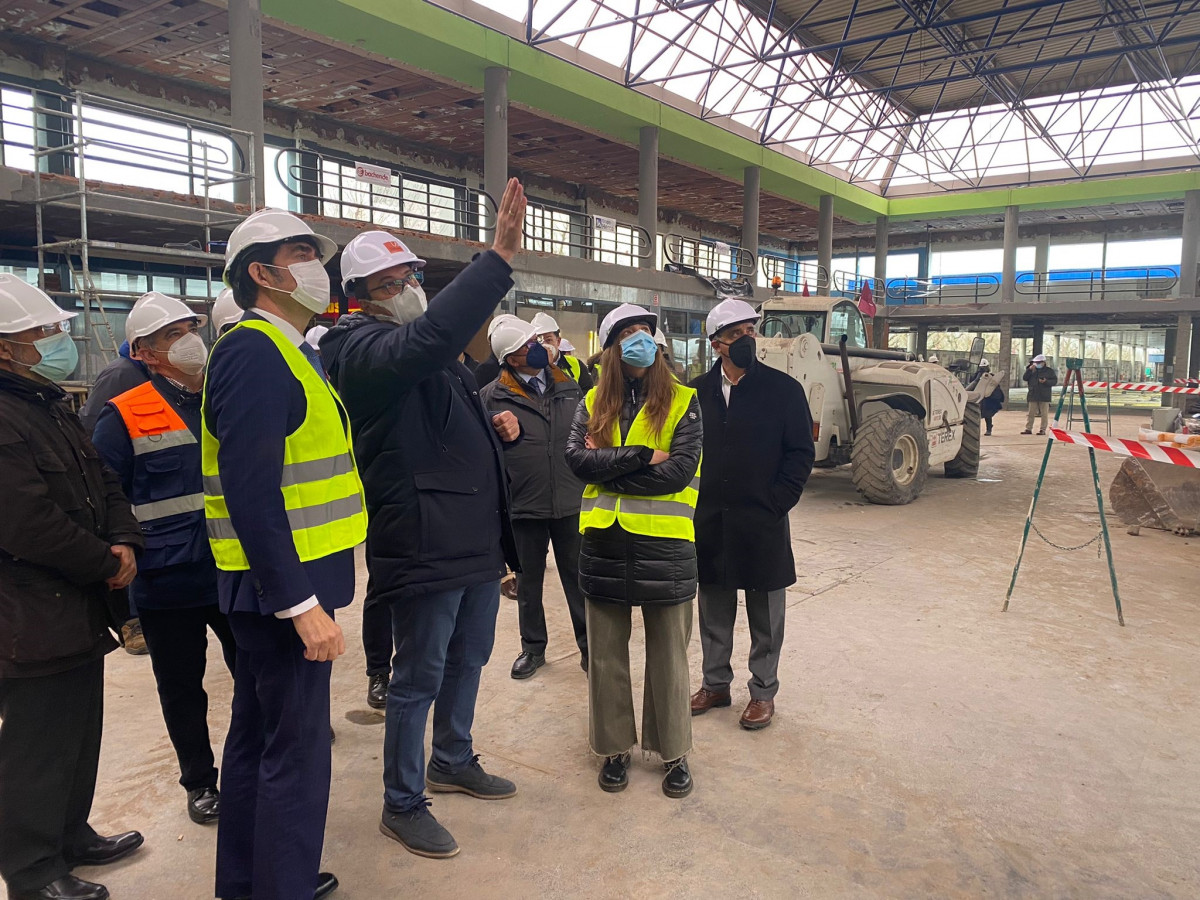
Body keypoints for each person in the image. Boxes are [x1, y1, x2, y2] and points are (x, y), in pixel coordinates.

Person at [320, 178, 526, 861]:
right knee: (417, 678)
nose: (411, 284)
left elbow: (444, 394)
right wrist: (494, 260)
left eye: (412, 273)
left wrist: (486, 420)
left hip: (468, 538)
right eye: (397, 277)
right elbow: (432, 342)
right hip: (423, 540)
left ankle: (453, 757)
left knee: (469, 659)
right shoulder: (358, 349)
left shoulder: (413, 348)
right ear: (363, 293)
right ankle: (402, 803)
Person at [205, 207, 367, 900]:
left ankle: (252, 882)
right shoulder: (254, 351)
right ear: (261, 273)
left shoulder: (295, 351)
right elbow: (252, 492)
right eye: (300, 252)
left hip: (280, 586)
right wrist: (301, 605)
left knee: (256, 741)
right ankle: (284, 886)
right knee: (295, 754)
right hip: (280, 593)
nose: (315, 265)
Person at [0, 275, 146, 900]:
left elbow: (102, 480)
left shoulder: (42, 401)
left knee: (79, 728)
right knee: (37, 742)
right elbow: (24, 521)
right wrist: (103, 562)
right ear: (6, 346)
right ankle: (31, 869)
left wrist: (123, 539)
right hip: (29, 607)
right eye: (42, 333)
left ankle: (70, 834)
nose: (54, 341)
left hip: (73, 601)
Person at [91, 292, 236, 827]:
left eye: (190, 327)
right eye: (173, 334)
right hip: (166, 577)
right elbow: (106, 494)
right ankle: (200, 782)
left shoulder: (224, 396)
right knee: (181, 686)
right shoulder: (124, 414)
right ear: (145, 353)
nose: (190, 339)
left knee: (256, 671)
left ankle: (253, 766)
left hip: (232, 568)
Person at [564, 303, 703, 799]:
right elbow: (578, 461)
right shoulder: (591, 402)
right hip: (604, 543)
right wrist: (644, 455)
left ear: (658, 341)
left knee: (669, 655)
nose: (637, 338)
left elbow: (679, 473)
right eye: (625, 333)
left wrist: (612, 465)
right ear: (610, 349)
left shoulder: (685, 401)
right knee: (605, 656)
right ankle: (614, 748)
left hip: (665, 547)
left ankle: (674, 752)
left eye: (644, 330)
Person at [687, 298, 815, 731]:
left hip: (762, 520)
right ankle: (715, 684)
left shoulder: (783, 390)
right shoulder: (696, 394)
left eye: (750, 331)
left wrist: (777, 502)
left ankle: (763, 691)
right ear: (716, 344)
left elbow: (800, 454)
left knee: (765, 615)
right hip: (710, 520)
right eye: (736, 334)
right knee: (714, 609)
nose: (747, 340)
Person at [480, 316, 588, 680]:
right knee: (529, 583)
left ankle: (589, 648)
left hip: (571, 499)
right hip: (524, 504)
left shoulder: (569, 386)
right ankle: (533, 648)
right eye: (527, 346)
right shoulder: (491, 397)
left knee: (578, 577)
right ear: (511, 359)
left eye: (536, 341)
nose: (538, 348)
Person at [530, 311, 593, 391]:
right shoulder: (526, 367)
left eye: (548, 340)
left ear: (558, 341)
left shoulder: (576, 365)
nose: (544, 345)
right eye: (539, 341)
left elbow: (587, 395)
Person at [967, 358, 1005, 436]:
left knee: (988, 414)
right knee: (974, 415)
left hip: (988, 399)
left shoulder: (991, 377)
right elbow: (973, 382)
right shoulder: (977, 376)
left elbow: (994, 388)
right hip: (977, 397)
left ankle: (989, 429)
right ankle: (974, 430)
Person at [1022, 353, 1057, 435]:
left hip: (1044, 395)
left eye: (1038, 363)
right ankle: (1028, 428)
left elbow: (1054, 381)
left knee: (1044, 414)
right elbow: (1025, 378)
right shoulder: (1031, 370)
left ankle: (1043, 429)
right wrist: (1029, 370)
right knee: (1031, 413)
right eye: (1035, 362)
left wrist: (1046, 381)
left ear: (1043, 362)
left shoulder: (1049, 371)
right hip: (1033, 394)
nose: (1036, 364)